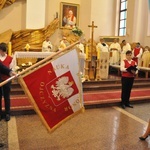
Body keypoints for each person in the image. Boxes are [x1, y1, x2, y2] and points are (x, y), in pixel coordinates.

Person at [0, 43, 14, 121]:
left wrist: (12, 73)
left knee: (7, 97)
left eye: (5, 51)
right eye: (2, 51)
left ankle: (7, 113)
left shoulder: (10, 58)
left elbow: (11, 69)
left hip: (7, 80)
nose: (4, 53)